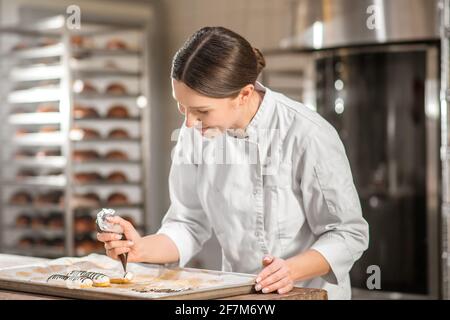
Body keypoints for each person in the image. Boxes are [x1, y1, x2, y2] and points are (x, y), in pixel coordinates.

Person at [97, 26, 369, 299]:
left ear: (244, 94)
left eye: (201, 111)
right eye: (182, 107)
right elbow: (188, 224)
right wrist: (140, 248)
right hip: (239, 298)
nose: (189, 123)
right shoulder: (194, 134)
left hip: (308, 294)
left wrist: (290, 270)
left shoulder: (306, 134)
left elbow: (348, 233)